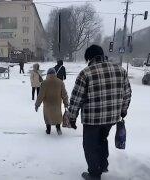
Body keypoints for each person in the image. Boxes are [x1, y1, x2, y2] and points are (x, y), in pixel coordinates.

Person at [68, 45, 132, 180]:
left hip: (92, 119)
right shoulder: (120, 70)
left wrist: (72, 117)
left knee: (90, 145)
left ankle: (94, 174)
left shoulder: (86, 73)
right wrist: (123, 110)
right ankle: (102, 165)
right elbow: (127, 93)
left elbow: (76, 98)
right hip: (111, 118)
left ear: (89, 58)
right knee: (102, 140)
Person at [35, 68, 68, 135]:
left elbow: (40, 95)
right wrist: (66, 104)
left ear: (48, 74)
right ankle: (58, 128)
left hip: (47, 104)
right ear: (55, 74)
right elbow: (64, 94)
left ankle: (48, 129)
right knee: (57, 116)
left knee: (48, 116)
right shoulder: (60, 82)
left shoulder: (44, 83)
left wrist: (37, 104)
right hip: (57, 103)